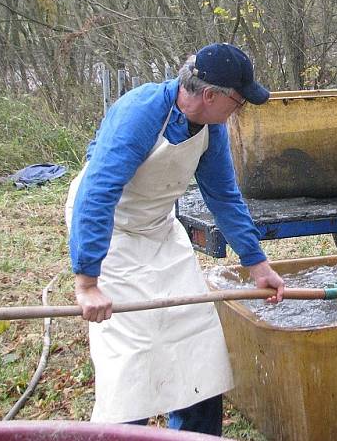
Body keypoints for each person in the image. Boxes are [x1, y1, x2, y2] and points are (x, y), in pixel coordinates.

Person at [66, 43, 286, 434]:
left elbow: (223, 196)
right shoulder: (141, 112)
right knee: (131, 351)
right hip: (111, 231)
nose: (240, 110)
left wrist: (257, 264)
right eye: (238, 101)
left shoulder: (211, 129)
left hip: (159, 228)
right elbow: (96, 195)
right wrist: (87, 283)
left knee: (196, 336)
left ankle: (194, 434)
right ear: (209, 95)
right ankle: (118, 431)